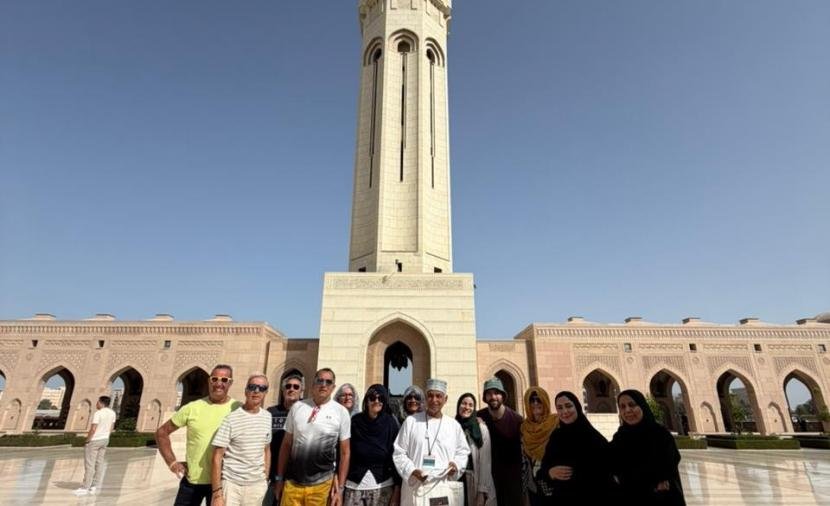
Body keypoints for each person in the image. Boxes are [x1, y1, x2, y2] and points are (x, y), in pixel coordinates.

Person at [157, 364, 241, 506]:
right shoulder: (192, 408)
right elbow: (162, 433)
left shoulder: (238, 409)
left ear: (230, 383)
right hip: (192, 481)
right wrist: (172, 462)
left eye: (224, 380)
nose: (219, 384)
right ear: (209, 381)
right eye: (214, 379)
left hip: (223, 482)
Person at [274, 368, 351, 506]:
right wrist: (279, 478)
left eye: (328, 382)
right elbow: (286, 445)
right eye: (319, 380)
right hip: (293, 484)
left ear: (333, 387)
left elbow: (345, 452)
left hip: (322, 486)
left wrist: (340, 489)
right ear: (312, 384)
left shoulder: (341, 412)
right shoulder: (297, 407)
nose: (323, 384)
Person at [393, 379, 470, 506]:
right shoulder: (411, 422)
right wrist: (412, 470)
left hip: (442, 486)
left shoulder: (453, 425)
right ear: (425, 398)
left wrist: (456, 465)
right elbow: (399, 452)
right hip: (415, 488)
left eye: (438, 396)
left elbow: (463, 452)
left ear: (445, 399)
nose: (434, 400)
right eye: (430, 396)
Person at [610, 389, 686, 505]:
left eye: (632, 405)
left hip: (660, 498)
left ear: (642, 406)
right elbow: (606, 459)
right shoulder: (620, 437)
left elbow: (670, 462)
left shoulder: (660, 434)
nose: (627, 410)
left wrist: (659, 477)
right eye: (622, 407)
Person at [211, 373, 273, 506]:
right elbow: (217, 456)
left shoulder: (267, 417)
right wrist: (217, 493)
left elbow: (266, 449)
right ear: (246, 390)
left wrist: (265, 479)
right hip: (232, 485)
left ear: (266, 392)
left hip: (257, 486)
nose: (256, 391)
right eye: (252, 387)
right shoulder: (231, 419)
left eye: (262, 388)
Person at [539, 391, 613, 503]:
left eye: (568, 406)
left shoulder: (592, 437)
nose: (565, 411)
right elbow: (544, 469)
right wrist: (550, 473)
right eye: (560, 408)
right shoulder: (556, 436)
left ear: (577, 407)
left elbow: (607, 469)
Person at [344, 384, 401, 506]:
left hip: (382, 487)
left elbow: (396, 457)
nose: (376, 401)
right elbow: (344, 453)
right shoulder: (355, 422)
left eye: (381, 399)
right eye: (372, 398)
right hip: (354, 487)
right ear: (366, 400)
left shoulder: (390, 424)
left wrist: (397, 489)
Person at [477, 377, 524, 505]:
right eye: (489, 393)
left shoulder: (517, 420)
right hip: (488, 481)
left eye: (496, 393)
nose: (493, 397)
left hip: (512, 483)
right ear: (485, 397)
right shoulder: (479, 418)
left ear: (503, 396)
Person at [264, 373, 304, 505]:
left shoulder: (305, 413)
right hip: (272, 475)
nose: (291, 389)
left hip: (295, 477)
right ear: (283, 390)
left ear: (301, 391)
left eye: (296, 387)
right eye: (288, 386)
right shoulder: (271, 412)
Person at [520, 387, 558, 506]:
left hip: (556, 480)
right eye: (532, 400)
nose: (535, 403)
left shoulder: (556, 422)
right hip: (534, 484)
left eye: (539, 400)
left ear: (545, 401)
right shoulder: (524, 428)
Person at [455, 393, 495, 506]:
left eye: (470, 405)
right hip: (457, 481)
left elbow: (485, 462)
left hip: (475, 481)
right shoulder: (453, 426)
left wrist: (482, 492)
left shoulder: (481, 428)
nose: (467, 407)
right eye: (463, 403)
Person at [73, 395, 117, 496]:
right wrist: (106, 436)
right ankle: (94, 486)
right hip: (105, 440)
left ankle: (85, 487)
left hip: (95, 440)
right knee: (99, 463)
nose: (96, 404)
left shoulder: (98, 413)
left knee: (89, 464)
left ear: (101, 403)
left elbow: (93, 429)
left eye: (97, 402)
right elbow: (111, 427)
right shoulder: (112, 413)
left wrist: (87, 440)